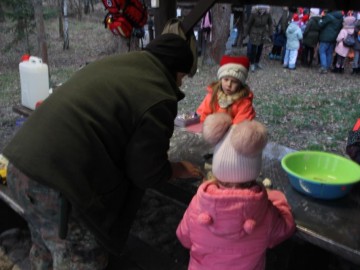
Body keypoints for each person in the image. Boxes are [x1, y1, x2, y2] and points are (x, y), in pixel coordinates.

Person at [3, 33, 203, 269]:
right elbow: (146, 171)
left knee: (46, 246)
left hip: (19, 165)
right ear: (176, 70)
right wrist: (177, 169)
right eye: (182, 78)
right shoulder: (159, 93)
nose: (180, 84)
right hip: (57, 187)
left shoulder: (114, 65)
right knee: (79, 258)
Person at [176, 114, 296, 270]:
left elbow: (183, 237)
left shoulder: (199, 203)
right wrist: (278, 199)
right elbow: (285, 229)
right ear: (254, 172)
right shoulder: (264, 211)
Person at [196, 55, 256, 124]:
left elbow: (240, 125)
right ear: (221, 79)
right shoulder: (213, 95)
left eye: (234, 81)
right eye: (226, 79)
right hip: (210, 130)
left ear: (240, 84)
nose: (229, 84)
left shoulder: (244, 102)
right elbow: (202, 113)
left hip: (232, 132)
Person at [243, 5, 273, 72]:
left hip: (262, 33)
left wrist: (271, 34)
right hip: (254, 32)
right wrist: (245, 34)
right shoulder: (254, 14)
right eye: (261, 9)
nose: (262, 10)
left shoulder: (268, 14)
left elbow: (270, 23)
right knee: (253, 49)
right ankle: (252, 63)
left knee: (260, 48)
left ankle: (257, 62)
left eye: (264, 9)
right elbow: (248, 24)